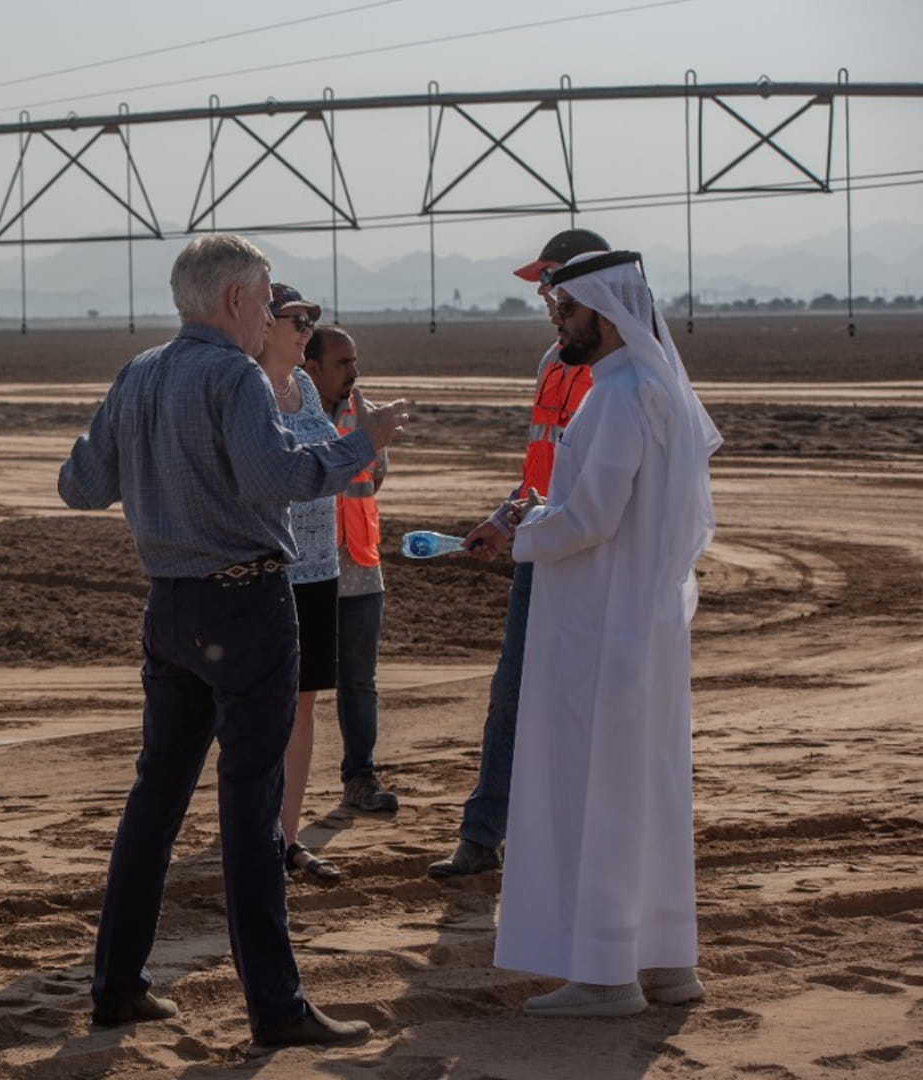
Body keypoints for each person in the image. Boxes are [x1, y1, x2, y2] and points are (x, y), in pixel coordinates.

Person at [58, 233, 409, 1049]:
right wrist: (364, 443)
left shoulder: (140, 372)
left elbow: (80, 484)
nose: (272, 317)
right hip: (245, 606)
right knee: (250, 812)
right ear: (234, 302)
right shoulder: (234, 374)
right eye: (265, 298)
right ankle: (277, 1008)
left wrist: (151, 463)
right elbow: (278, 478)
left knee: (156, 800)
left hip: (171, 609)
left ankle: (116, 985)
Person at [492, 250, 720, 1016]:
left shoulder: (618, 395)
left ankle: (605, 976)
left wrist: (522, 532)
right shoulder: (655, 388)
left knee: (599, 793)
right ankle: (667, 964)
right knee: (647, 789)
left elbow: (592, 518)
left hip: (602, 629)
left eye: (567, 309)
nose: (558, 322)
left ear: (603, 307)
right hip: (644, 626)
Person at [427, 227, 612, 880]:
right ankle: (482, 840)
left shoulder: (618, 368)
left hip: (592, 560)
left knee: (585, 706)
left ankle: (580, 846)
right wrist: (506, 518)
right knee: (511, 694)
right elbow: (543, 465)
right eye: (541, 285)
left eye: (552, 282)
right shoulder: (553, 361)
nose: (544, 294)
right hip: (539, 550)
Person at [254, 284, 344, 884]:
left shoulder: (305, 386)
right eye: (297, 319)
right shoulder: (245, 388)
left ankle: (286, 838)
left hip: (320, 569)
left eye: (313, 319)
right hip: (269, 569)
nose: (307, 329)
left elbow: (328, 458)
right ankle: (251, 835)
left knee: (304, 707)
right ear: (263, 325)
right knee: (256, 711)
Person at [300, 326, 399, 817]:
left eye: (355, 361)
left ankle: (359, 778)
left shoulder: (366, 413)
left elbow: (375, 474)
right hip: (304, 572)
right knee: (297, 689)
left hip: (359, 568)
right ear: (310, 367)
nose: (354, 372)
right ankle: (275, 793)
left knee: (360, 681)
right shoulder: (289, 412)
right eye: (343, 363)